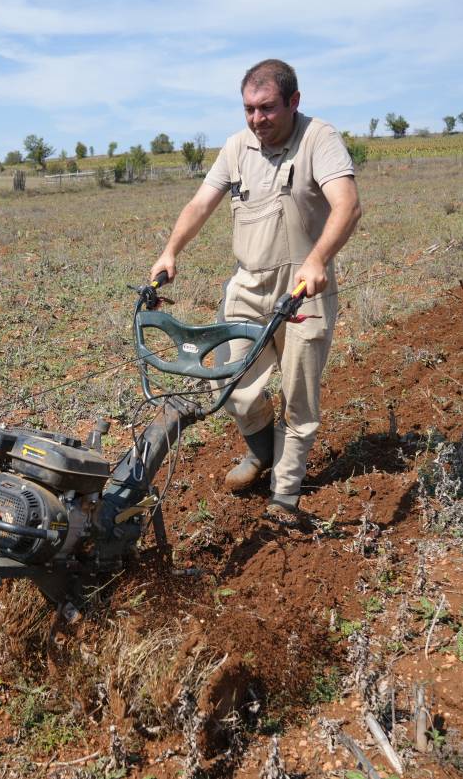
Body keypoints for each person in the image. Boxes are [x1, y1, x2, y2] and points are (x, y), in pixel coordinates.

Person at [149, 58, 361, 518]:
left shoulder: (318, 138)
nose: (256, 119)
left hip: (304, 287)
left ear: (294, 102)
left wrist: (318, 258)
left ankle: (284, 490)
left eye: (266, 109)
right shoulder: (236, 147)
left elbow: (348, 205)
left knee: (299, 398)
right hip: (248, 285)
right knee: (232, 383)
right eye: (248, 109)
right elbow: (200, 203)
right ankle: (263, 451)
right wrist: (171, 251)